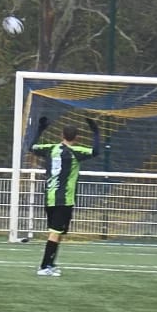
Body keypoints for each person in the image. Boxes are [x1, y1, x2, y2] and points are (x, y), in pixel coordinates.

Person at [27, 113, 100, 276]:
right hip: (64, 199)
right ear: (77, 137)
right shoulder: (75, 151)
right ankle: (44, 266)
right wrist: (95, 131)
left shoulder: (50, 149)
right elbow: (95, 151)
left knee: (57, 232)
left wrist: (40, 129)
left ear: (62, 135)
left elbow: (31, 147)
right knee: (55, 233)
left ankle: (50, 264)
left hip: (50, 197)